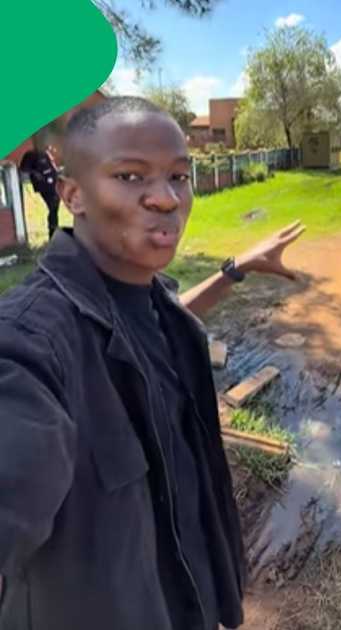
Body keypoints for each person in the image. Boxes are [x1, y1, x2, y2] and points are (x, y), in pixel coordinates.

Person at [0, 96, 305, 630]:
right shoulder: (27, 345)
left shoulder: (144, 296)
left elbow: (159, 325)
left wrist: (235, 270)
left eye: (178, 177)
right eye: (130, 176)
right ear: (73, 195)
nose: (166, 198)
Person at [18, 146, 62, 237]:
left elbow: (52, 168)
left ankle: (54, 231)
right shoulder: (31, 154)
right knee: (53, 206)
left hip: (54, 184)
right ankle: (53, 232)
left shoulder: (46, 154)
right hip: (44, 186)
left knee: (55, 208)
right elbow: (23, 169)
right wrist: (35, 173)